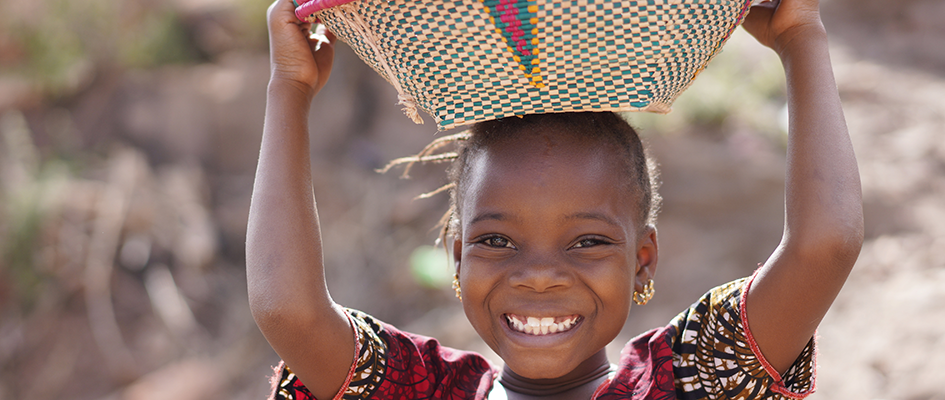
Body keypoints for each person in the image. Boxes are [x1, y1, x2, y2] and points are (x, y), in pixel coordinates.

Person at [247, 0, 863, 398]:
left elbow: (824, 246)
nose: (539, 275)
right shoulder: (419, 389)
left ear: (643, 260)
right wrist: (289, 87)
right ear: (456, 257)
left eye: (588, 241)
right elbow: (290, 313)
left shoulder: (690, 378)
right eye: (497, 241)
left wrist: (801, 37)